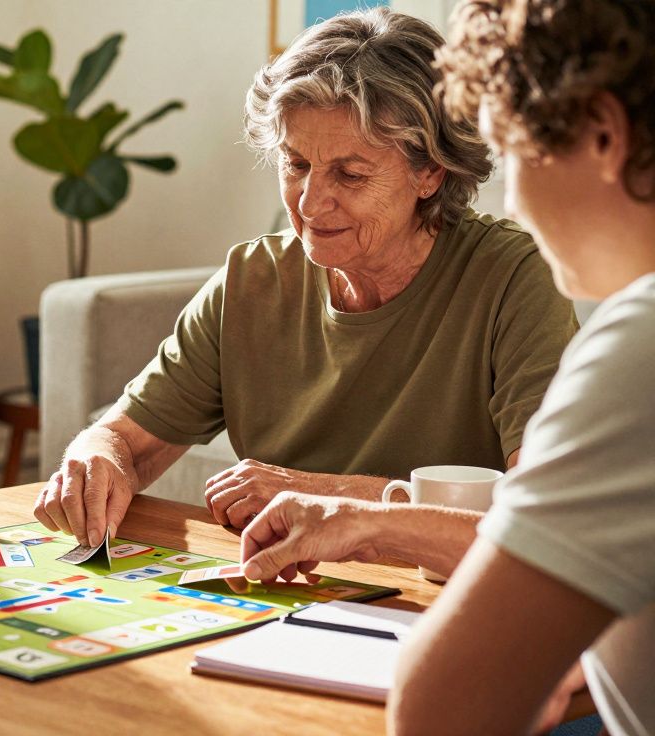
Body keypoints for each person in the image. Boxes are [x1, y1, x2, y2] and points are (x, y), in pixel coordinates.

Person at [241, 1, 655, 732]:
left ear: (601, 134)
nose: (515, 198)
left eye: (514, 148)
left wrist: (361, 518)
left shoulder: (639, 350)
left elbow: (443, 709)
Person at [34, 7, 577, 547]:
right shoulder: (251, 279)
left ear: (431, 172)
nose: (312, 203)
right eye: (295, 165)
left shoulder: (515, 278)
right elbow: (124, 441)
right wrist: (93, 462)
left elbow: (547, 506)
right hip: (281, 589)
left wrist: (326, 496)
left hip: (436, 593)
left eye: (351, 173)